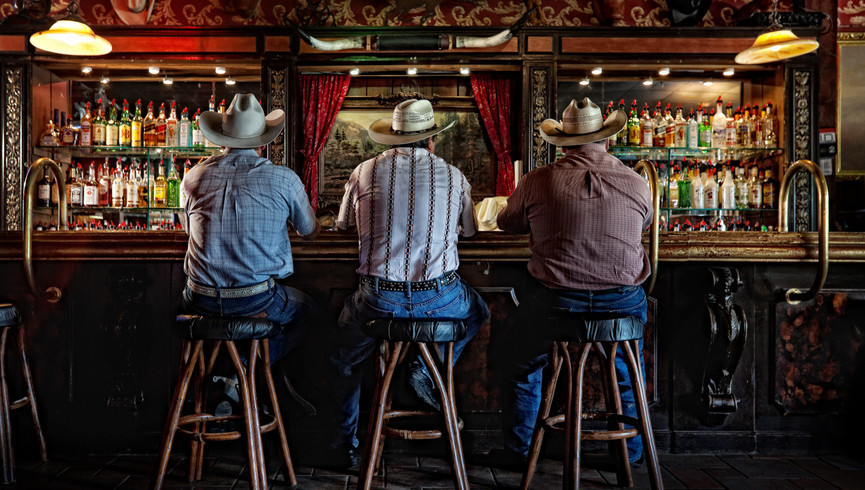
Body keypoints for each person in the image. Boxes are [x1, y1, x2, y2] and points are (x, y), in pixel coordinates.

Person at [328, 98, 490, 469]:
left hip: (378, 300)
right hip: (440, 298)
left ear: (393, 139)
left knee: (345, 358)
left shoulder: (364, 171)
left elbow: (341, 227)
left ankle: (345, 446)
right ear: (431, 141)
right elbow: (469, 230)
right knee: (477, 310)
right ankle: (422, 367)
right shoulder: (453, 174)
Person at [496, 97, 653, 467]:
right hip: (622, 303)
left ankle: (520, 453)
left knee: (520, 363)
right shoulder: (637, 183)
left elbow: (507, 224)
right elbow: (642, 225)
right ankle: (629, 455)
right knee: (626, 369)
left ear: (563, 143)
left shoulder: (537, 180)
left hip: (556, 304)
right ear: (607, 140)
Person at [182, 93, 320, 409]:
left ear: (222, 139)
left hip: (199, 300)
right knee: (310, 311)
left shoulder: (194, 176)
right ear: (262, 141)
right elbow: (310, 232)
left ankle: (229, 380)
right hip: (256, 299)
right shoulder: (283, 179)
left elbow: (190, 232)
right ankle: (243, 370)